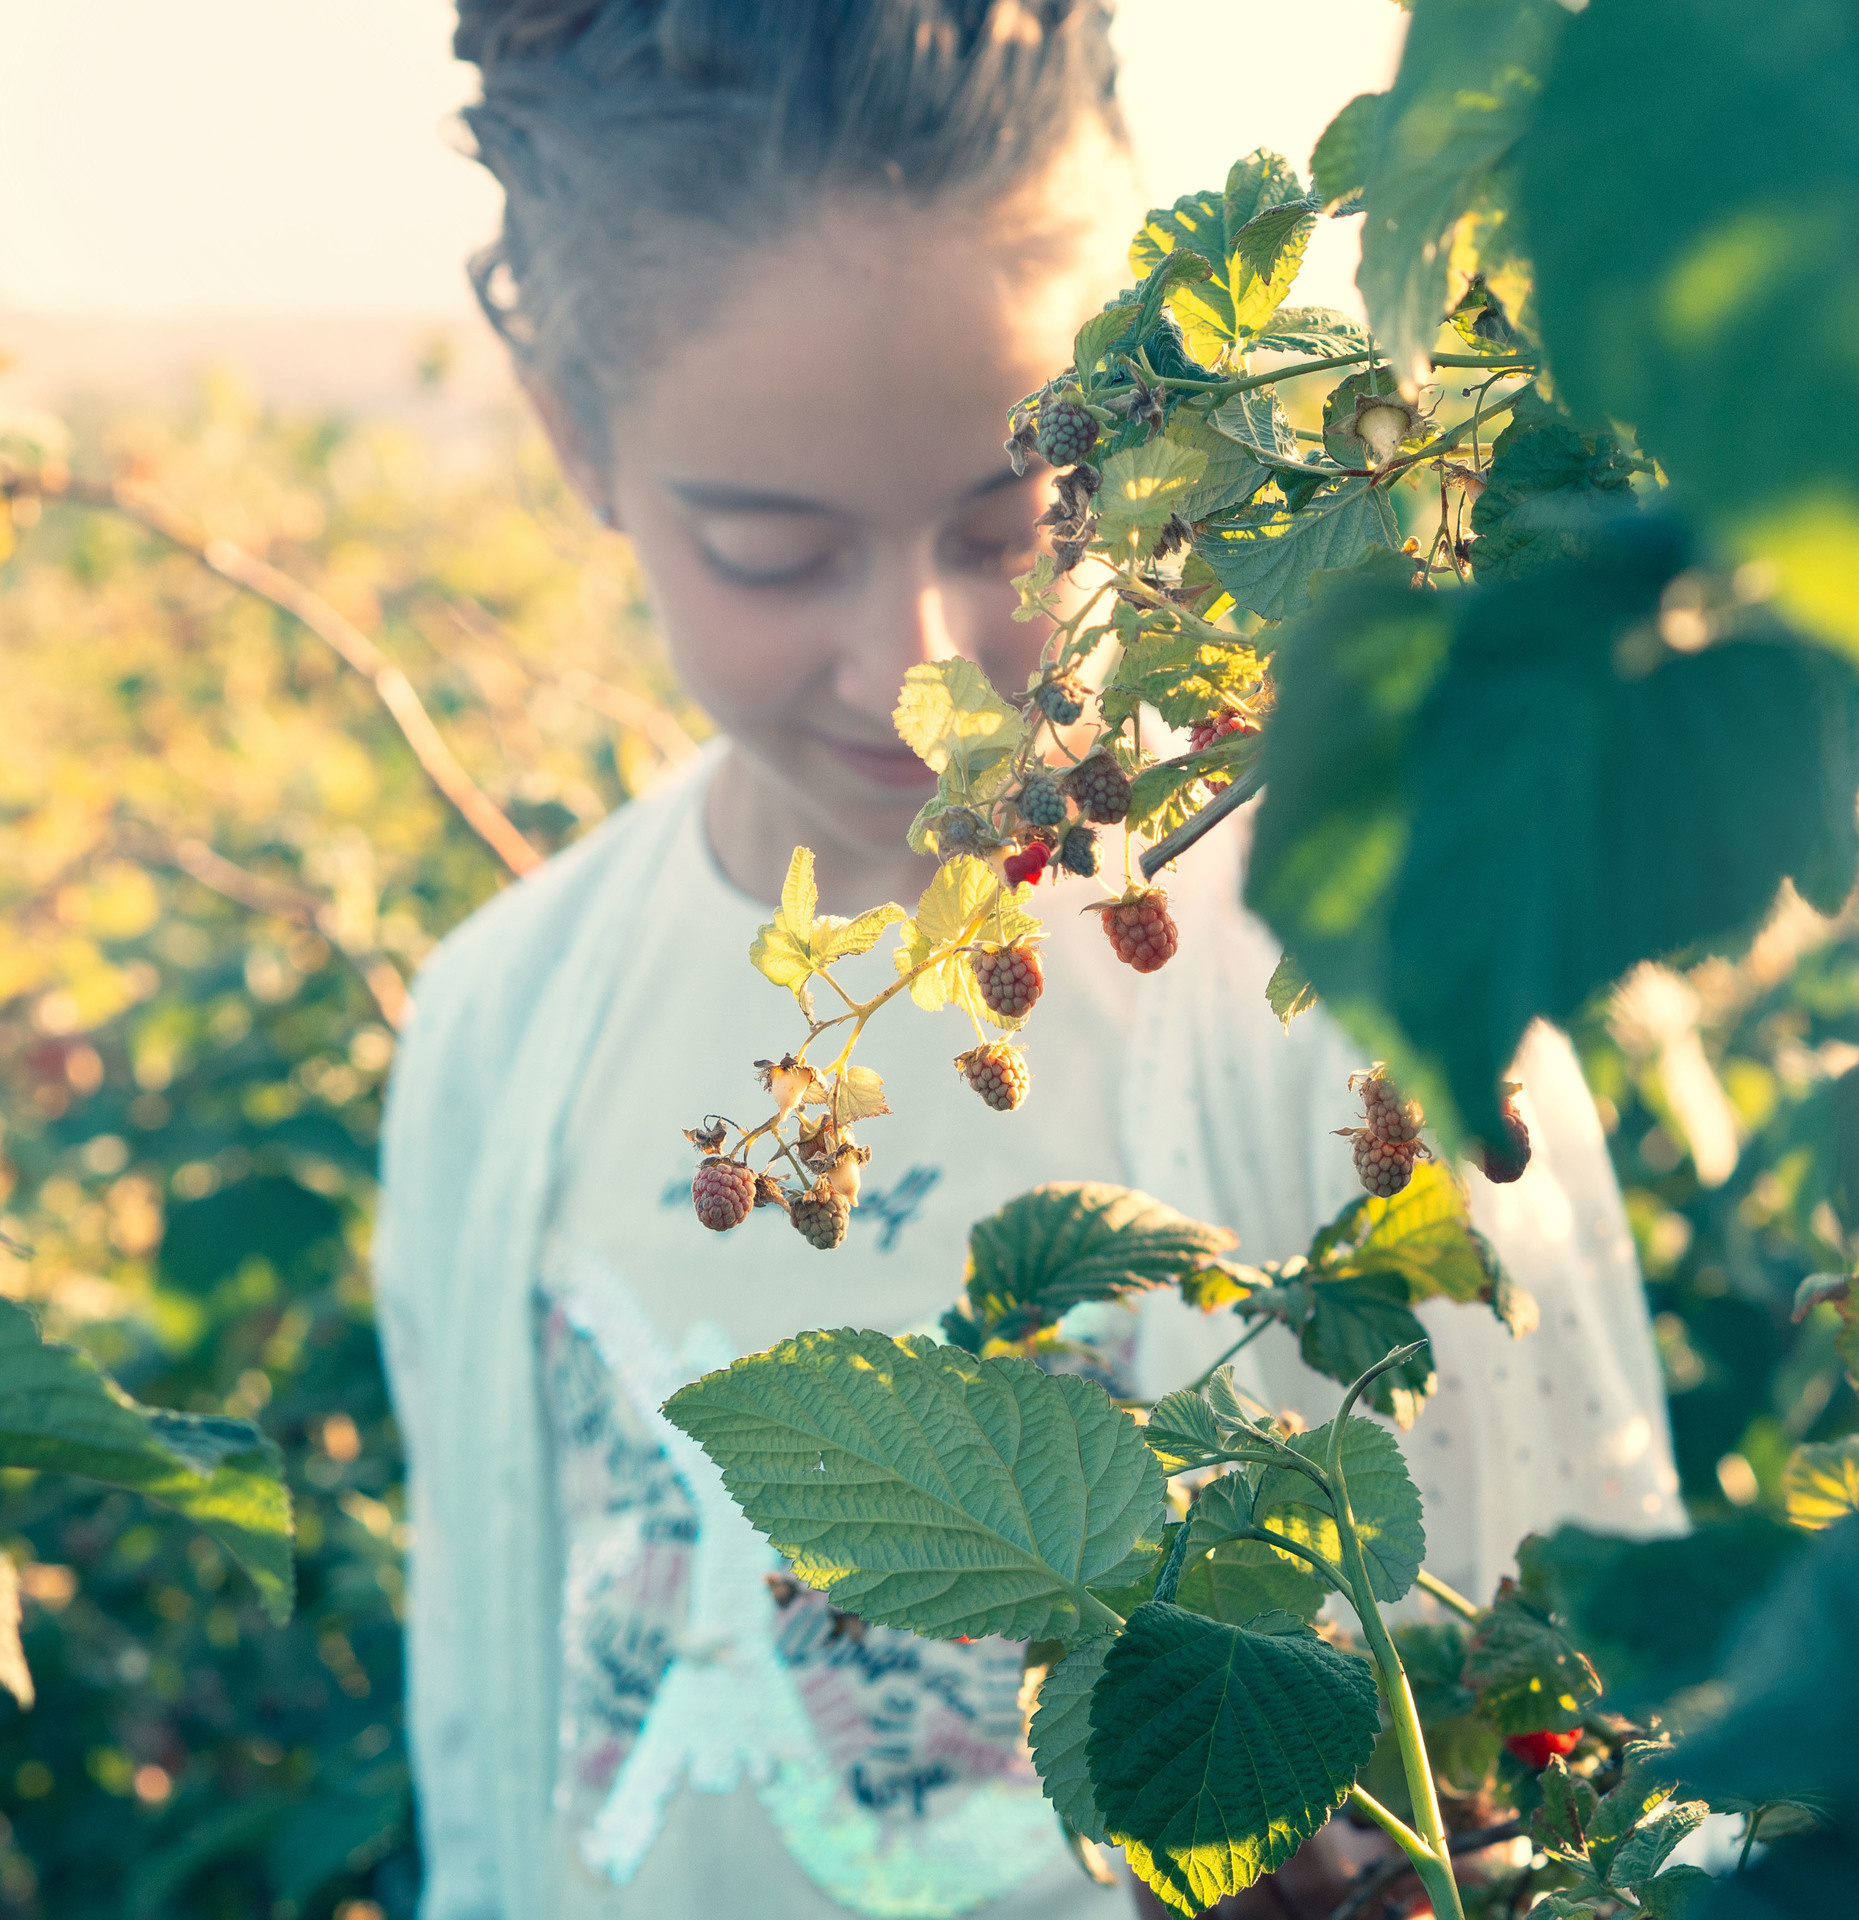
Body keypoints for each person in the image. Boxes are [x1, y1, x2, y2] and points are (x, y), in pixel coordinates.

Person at [374, 4, 1684, 1917]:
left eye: (1022, 516)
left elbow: (1586, 1761)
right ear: (579, 437)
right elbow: (492, 1763)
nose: (916, 662)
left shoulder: (1354, 1000)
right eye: (769, 552)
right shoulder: (504, 1031)